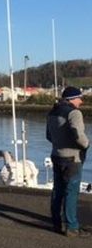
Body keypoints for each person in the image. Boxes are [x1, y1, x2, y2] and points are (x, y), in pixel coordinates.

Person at [46, 86, 89, 238]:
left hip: (56, 155)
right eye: (79, 98)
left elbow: (48, 136)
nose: (81, 101)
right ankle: (72, 226)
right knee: (71, 192)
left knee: (57, 190)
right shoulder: (74, 113)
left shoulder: (52, 112)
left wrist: (59, 142)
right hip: (72, 158)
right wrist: (86, 144)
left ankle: (56, 222)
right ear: (71, 99)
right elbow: (78, 135)